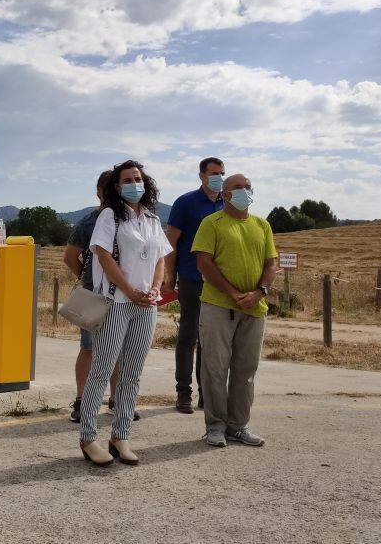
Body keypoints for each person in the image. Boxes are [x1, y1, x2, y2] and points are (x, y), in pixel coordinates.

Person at [78, 160, 172, 466]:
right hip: (116, 303)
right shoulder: (110, 217)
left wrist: (155, 289)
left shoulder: (152, 220)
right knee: (102, 370)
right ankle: (89, 437)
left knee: (132, 373)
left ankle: (121, 435)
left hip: (146, 307)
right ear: (117, 187)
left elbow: (160, 259)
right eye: (128, 179)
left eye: (139, 178)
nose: (135, 183)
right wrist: (130, 290)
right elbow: (104, 256)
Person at [192, 174, 278, 449]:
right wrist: (232, 293)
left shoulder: (261, 225)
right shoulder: (211, 223)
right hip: (218, 306)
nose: (244, 191)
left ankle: (238, 426)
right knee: (215, 368)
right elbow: (204, 263)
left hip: (254, 308)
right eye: (237, 188)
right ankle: (215, 427)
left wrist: (259, 293)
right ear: (225, 195)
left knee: (246, 370)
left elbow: (271, 264)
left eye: (248, 187)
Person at [162, 157, 226, 413]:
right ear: (201, 175)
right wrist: (171, 276)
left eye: (222, 173)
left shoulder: (227, 203)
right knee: (189, 337)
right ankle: (183, 392)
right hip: (192, 278)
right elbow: (171, 242)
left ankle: (206, 393)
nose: (219, 177)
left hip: (220, 282)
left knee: (211, 341)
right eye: (214, 173)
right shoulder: (185, 203)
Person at [63, 170, 119, 422]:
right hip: (94, 295)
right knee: (89, 348)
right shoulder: (88, 221)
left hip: (122, 294)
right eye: (107, 188)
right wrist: (86, 279)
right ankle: (82, 401)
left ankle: (117, 400)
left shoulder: (128, 220)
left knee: (119, 350)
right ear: (98, 191)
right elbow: (69, 256)